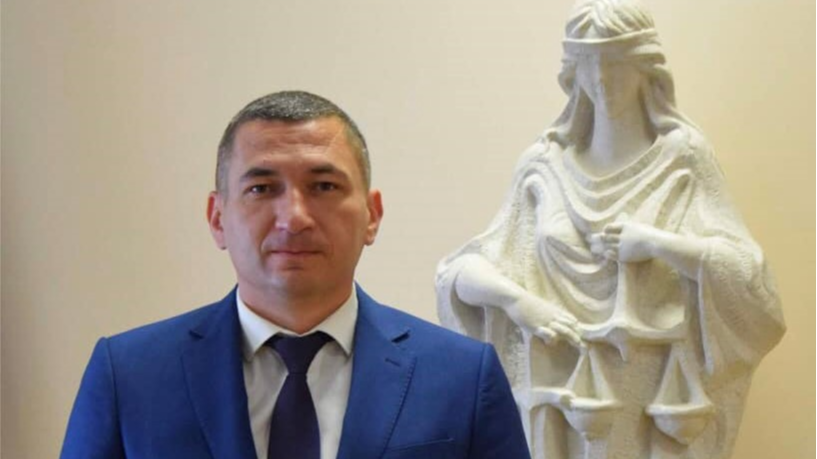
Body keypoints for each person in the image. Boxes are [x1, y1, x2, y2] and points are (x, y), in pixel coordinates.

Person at [61, 90, 531, 459]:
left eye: (323, 186)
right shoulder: (128, 376)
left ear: (372, 215)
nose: (294, 218)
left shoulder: (462, 378)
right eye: (262, 188)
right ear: (217, 218)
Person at [436, 1, 785, 458]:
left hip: (658, 403)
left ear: (645, 68)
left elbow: (750, 283)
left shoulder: (683, 159)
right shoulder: (543, 167)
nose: (602, 78)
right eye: (588, 63)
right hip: (562, 401)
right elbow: (458, 274)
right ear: (572, 73)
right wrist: (519, 302)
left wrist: (659, 244)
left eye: (616, 62)